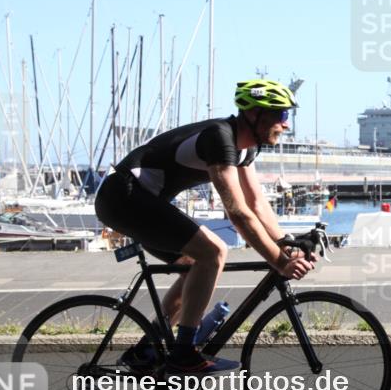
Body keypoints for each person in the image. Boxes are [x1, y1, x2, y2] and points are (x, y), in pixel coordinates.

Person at [94, 79, 315, 373]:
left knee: (195, 265)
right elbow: (238, 212)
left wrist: (287, 243)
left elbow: (257, 205)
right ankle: (184, 352)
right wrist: (278, 262)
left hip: (144, 201)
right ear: (255, 114)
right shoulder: (220, 138)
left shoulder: (246, 149)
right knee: (213, 252)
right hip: (123, 197)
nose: (286, 125)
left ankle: (147, 350)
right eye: (282, 115)